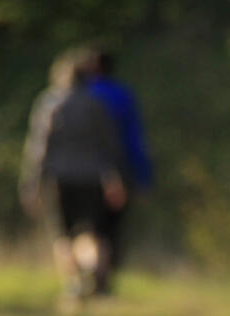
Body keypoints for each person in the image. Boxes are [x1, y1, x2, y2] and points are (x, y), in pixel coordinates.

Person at [19, 50, 127, 302]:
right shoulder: (95, 105)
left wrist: (31, 183)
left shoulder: (49, 105)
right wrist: (114, 178)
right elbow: (109, 145)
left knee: (63, 235)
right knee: (93, 232)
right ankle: (96, 274)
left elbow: (38, 149)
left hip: (59, 178)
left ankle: (74, 282)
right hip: (92, 177)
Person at [85, 48, 153, 282]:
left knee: (87, 227)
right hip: (118, 170)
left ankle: (90, 275)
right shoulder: (123, 95)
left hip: (83, 171)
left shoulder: (80, 94)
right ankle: (104, 277)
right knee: (111, 228)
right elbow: (135, 139)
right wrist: (143, 177)